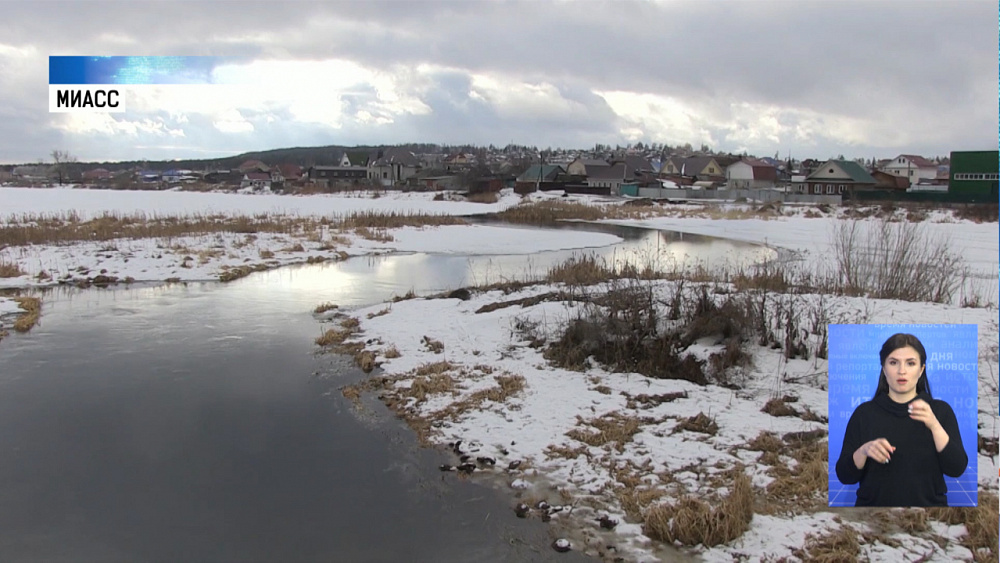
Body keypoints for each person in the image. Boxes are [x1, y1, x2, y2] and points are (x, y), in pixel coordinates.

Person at [834, 333, 968, 506]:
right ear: (883, 368)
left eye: (910, 363)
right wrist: (864, 451)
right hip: (872, 520)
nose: (901, 371)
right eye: (893, 362)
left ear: (921, 370)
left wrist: (934, 426)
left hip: (927, 519)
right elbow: (845, 476)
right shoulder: (864, 414)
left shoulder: (941, 412)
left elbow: (957, 469)